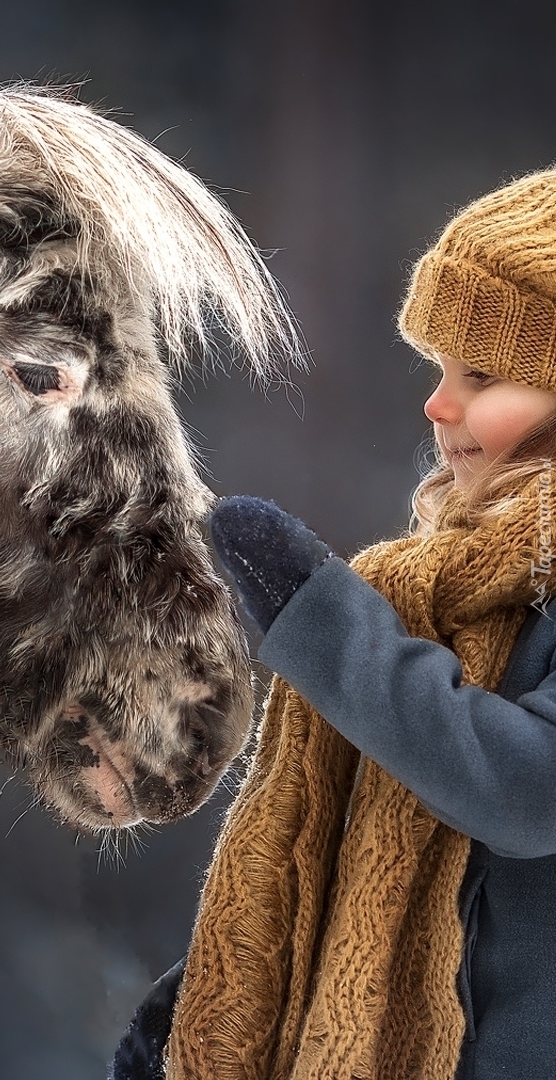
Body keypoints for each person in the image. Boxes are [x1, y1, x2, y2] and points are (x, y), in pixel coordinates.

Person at [112, 171, 556, 1080]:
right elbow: (405, 863)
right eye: (439, 369)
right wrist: (243, 1002)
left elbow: (526, 793)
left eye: (483, 374)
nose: (439, 404)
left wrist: (321, 615)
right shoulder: (461, 582)